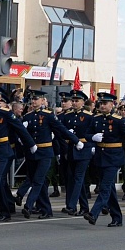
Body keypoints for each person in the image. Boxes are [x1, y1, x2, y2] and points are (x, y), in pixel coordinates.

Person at [84, 92, 125, 227]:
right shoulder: (96, 119)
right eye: (100, 103)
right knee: (110, 189)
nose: (102, 106)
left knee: (105, 187)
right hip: (100, 157)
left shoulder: (119, 120)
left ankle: (93, 213)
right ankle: (117, 217)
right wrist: (92, 137)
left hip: (114, 158)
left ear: (112, 104)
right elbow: (86, 134)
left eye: (105, 103)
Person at [0, 84, 34, 222]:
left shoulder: (6, 113)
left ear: (0, 98)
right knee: (0, 182)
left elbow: (20, 129)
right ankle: (6, 210)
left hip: (3, 151)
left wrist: (31, 144)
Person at [21, 90, 81, 220]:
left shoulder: (49, 116)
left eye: (37, 99)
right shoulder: (27, 117)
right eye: (32, 99)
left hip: (45, 152)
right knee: (39, 182)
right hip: (32, 153)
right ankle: (46, 210)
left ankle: (28, 205)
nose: (34, 101)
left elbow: (61, 130)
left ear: (43, 101)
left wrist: (76, 141)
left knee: (38, 179)